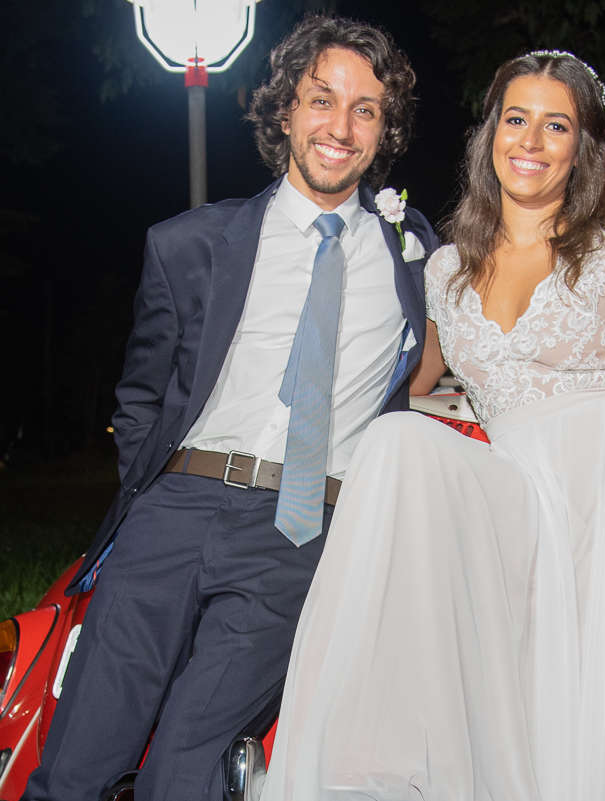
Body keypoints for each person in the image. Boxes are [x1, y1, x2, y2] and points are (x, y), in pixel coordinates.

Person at [262, 51, 605, 801]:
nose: (531, 141)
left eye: (556, 125)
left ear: (583, 147)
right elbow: (400, 383)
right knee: (396, 440)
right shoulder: (446, 271)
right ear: (491, 133)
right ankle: (358, 762)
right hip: (516, 504)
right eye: (516, 119)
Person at [22, 16, 438, 801]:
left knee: (189, 765)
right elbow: (142, 394)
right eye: (322, 99)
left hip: (298, 529)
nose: (340, 126)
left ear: (386, 132)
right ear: (285, 111)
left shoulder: (412, 256)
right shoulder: (188, 244)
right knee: (81, 755)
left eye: (366, 110)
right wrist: (153, 500)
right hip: (173, 512)